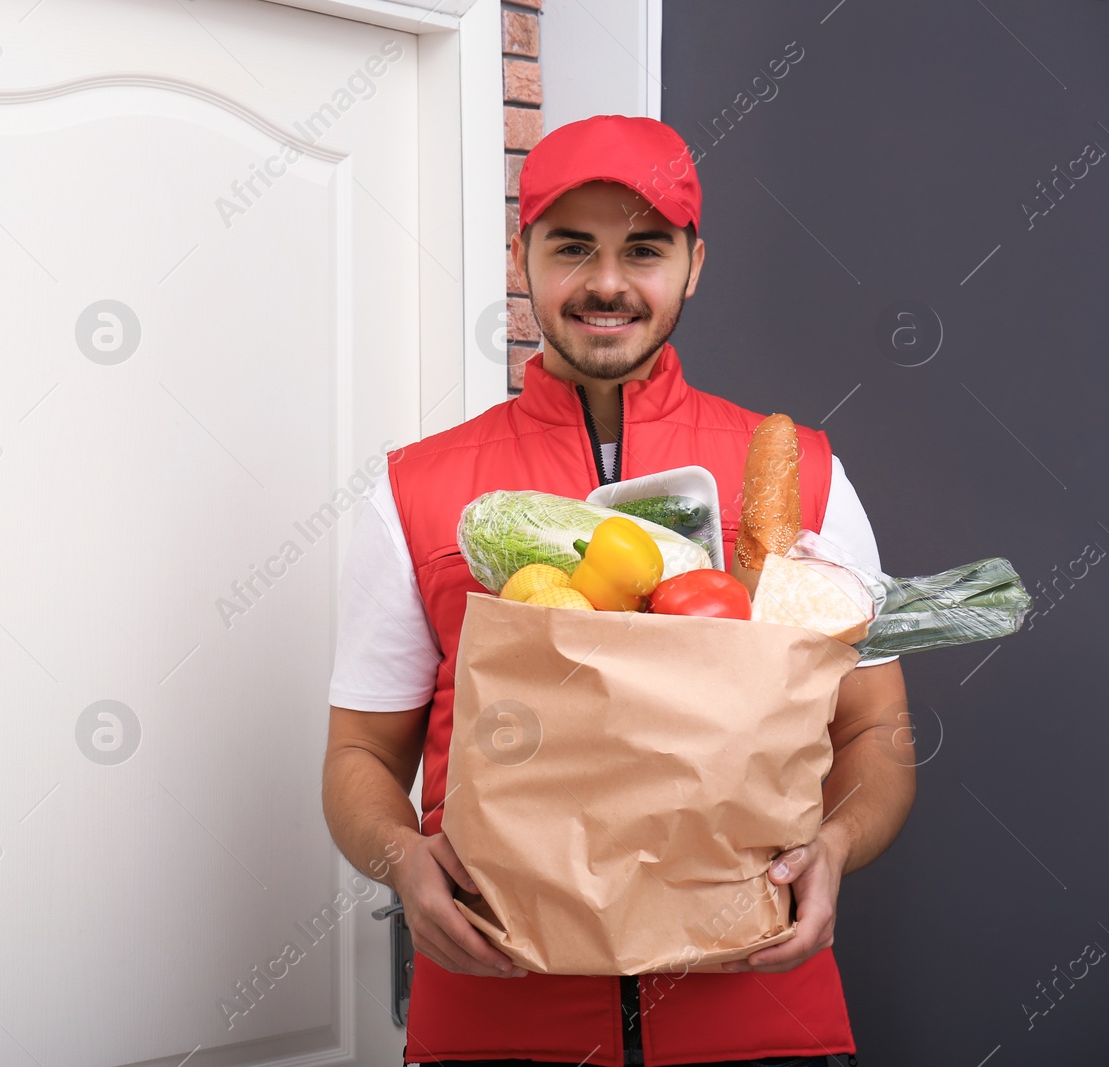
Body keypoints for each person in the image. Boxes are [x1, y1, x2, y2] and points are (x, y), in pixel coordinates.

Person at [320, 115, 916, 1067]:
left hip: (760, 1022)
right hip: (497, 1023)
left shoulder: (802, 476)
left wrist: (835, 848)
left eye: (643, 249)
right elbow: (358, 752)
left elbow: (875, 730)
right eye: (572, 249)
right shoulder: (417, 488)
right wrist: (401, 860)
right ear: (524, 258)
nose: (606, 283)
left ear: (694, 263)